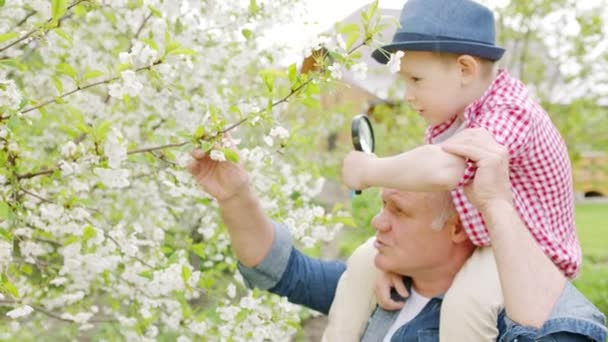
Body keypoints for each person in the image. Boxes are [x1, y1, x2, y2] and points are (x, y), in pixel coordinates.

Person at [187, 129, 607, 341]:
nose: (378, 223)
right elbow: (279, 271)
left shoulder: (499, 319)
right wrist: (236, 196)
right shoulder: (376, 287)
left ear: (460, 225)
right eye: (383, 205)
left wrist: (496, 204)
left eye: (399, 210)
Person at [339, 0, 581, 340]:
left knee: (466, 304)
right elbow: (429, 183)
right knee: (365, 260)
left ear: (465, 69)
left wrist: (372, 170)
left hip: (530, 250)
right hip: (484, 237)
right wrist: (393, 258)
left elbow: (443, 171)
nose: (407, 95)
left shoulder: (510, 111)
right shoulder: (451, 119)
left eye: (416, 80)